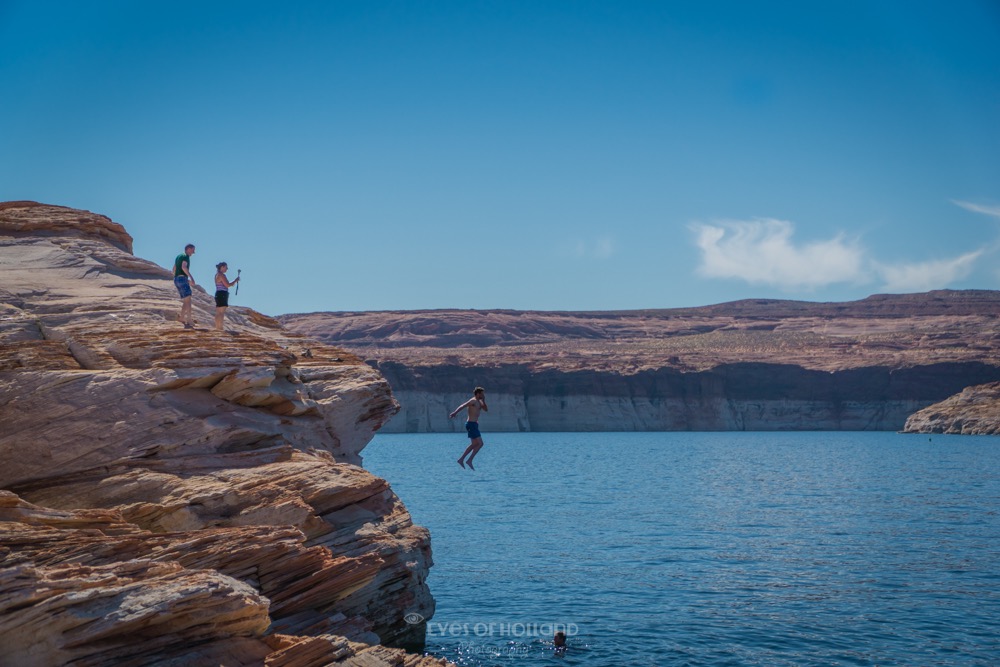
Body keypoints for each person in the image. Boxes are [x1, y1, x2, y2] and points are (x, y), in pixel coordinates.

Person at [449, 387, 488, 469]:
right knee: (480, 443)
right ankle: (469, 460)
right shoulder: (473, 401)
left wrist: (483, 401)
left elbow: (486, 409)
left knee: (474, 444)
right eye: (482, 393)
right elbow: (463, 406)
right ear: (478, 394)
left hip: (474, 424)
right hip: (471, 424)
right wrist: (455, 412)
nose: (483, 395)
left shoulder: (480, 402)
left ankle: (461, 459)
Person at [173, 244, 196, 328]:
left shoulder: (178, 256)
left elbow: (174, 268)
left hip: (176, 279)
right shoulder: (186, 256)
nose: (194, 252)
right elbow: (183, 267)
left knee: (186, 299)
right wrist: (191, 278)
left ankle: (182, 317)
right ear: (188, 249)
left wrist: (178, 277)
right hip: (182, 279)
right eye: (193, 250)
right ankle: (189, 319)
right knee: (188, 299)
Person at [213, 262, 240, 331]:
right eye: (226, 267)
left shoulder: (216, 275)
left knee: (218, 311)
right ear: (222, 267)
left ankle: (217, 327)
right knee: (222, 312)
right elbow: (227, 285)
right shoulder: (222, 275)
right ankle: (220, 327)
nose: (227, 269)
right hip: (223, 293)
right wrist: (235, 280)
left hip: (218, 293)